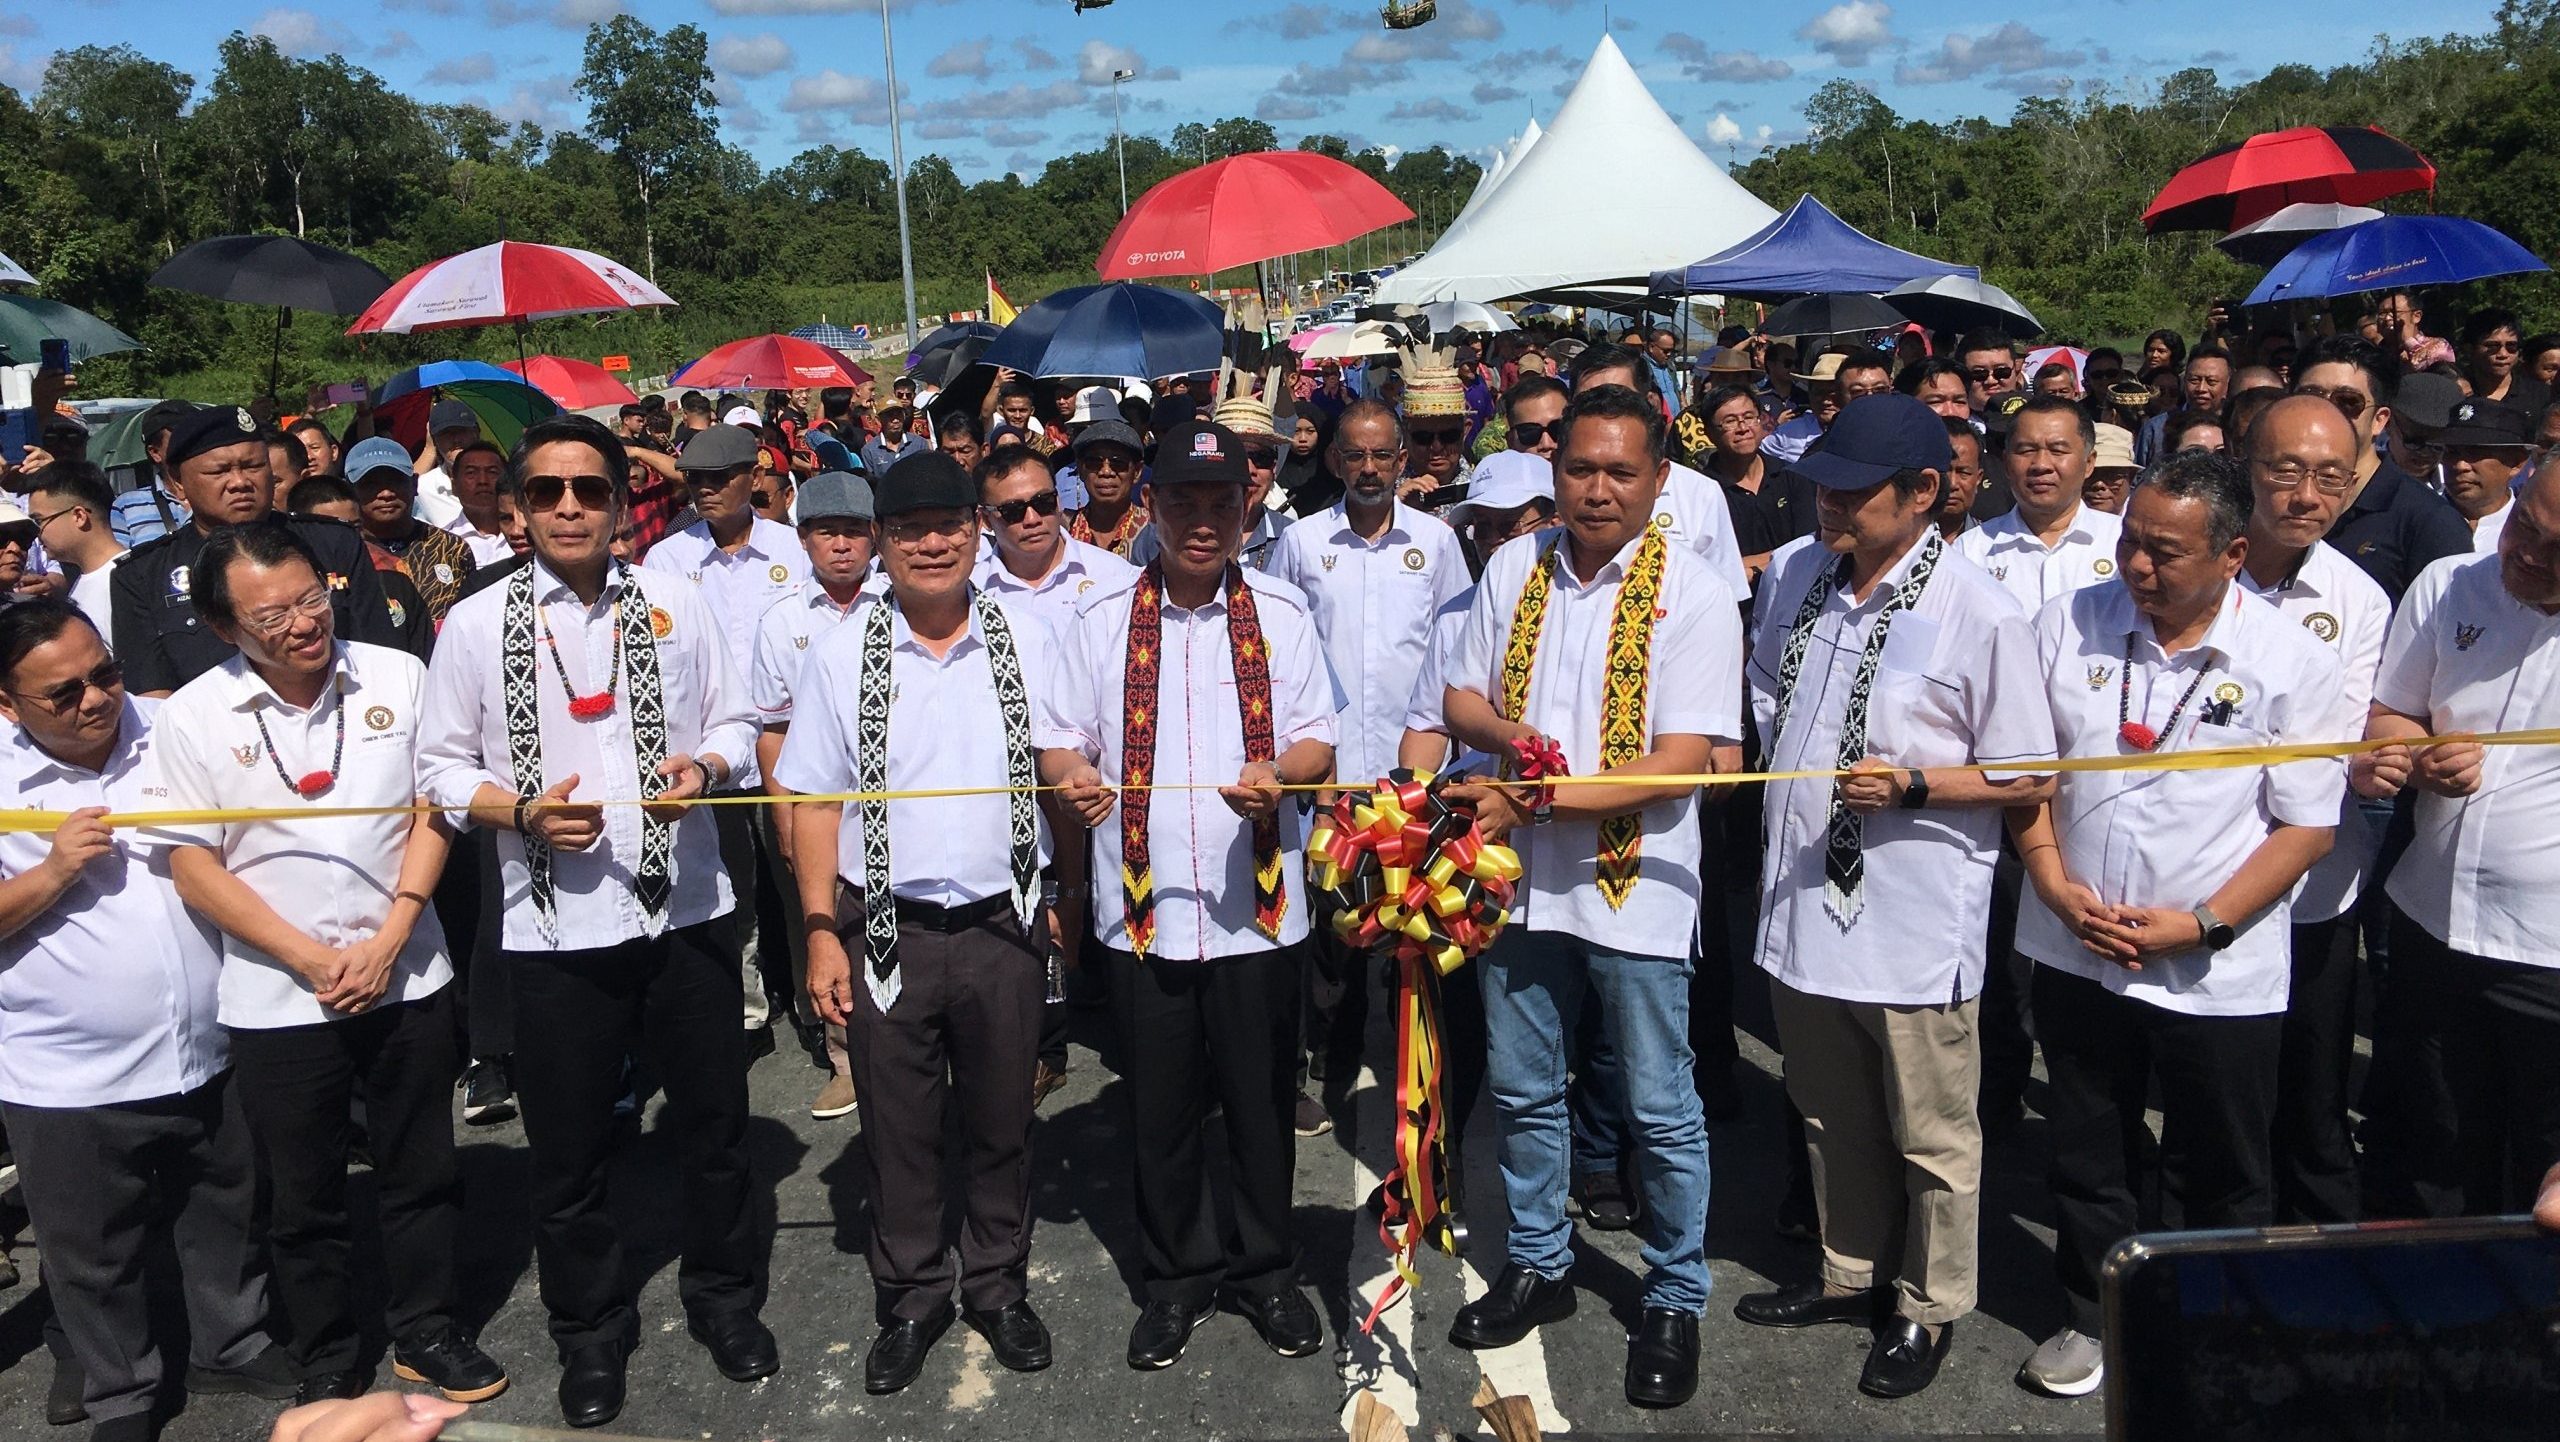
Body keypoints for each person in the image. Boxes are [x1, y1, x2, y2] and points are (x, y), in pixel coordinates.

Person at [416, 417, 773, 1427]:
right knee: (569, 1152)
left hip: (686, 912)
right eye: (546, 491)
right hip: (555, 928)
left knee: (714, 1128)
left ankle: (723, 1298)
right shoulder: (475, 625)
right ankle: (590, 1329)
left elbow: (737, 719)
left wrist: (707, 767)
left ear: (621, 502)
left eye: (589, 488)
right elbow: (440, 767)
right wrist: (517, 812)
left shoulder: (677, 600)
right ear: (517, 509)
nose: (568, 506)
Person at [1734, 395, 2057, 1400]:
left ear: (1923, 492)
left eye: (1851, 490)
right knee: (1829, 1109)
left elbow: (2029, 770)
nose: (1827, 504)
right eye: (1821, 486)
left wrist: (1918, 784)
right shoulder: (1799, 571)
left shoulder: (1980, 610)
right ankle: (1850, 1267)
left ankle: (1928, 1300)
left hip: (1913, 910)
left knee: (1931, 1128)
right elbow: (1766, 688)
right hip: (1802, 896)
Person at [2009, 451, 2345, 1399]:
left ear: (2233, 555)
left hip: (2213, 965)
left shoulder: (2291, 661)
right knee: (2089, 1141)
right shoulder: (2066, 623)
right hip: (2074, 940)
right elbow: (2025, 775)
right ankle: (2094, 1314)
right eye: (2129, 543)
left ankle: (2210, 1323)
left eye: (2164, 552)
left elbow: (2307, 826)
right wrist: (2052, 884)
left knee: (2221, 1157)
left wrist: (2201, 924)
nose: (2136, 567)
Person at [149, 522, 504, 1407]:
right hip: (278, 994)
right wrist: (307, 957)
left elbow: (433, 810)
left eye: (312, 599)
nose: (304, 623)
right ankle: (327, 1352)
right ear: (223, 627)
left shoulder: (398, 676)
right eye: (272, 617)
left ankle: (427, 1329)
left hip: (407, 971)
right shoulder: (193, 715)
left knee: (421, 1167)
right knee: (302, 1192)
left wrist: (393, 934)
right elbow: (192, 863)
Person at [1438, 385, 1744, 1409]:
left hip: (1636, 889)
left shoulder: (1692, 590)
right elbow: (1459, 696)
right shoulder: (1514, 565)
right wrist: (1511, 740)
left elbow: (1680, 764)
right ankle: (1539, 1259)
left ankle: (1674, 1291)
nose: (1598, 490)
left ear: (1659, 480)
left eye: (1621, 471)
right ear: (1554, 472)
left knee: (1658, 1104)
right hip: (1520, 887)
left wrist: (1529, 794)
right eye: (1579, 468)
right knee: (1524, 1089)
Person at [1035, 421, 1336, 1373]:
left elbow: (1317, 738)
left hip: (1258, 908)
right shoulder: (1100, 618)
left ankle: (1265, 1271)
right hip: (1144, 909)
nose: (1203, 522)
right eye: (1182, 503)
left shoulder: (1281, 611)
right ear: (1150, 508)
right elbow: (1060, 739)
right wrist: (1072, 779)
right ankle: (1175, 1279)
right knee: (1159, 1110)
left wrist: (1282, 774)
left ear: (1247, 509)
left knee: (1258, 1104)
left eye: (1220, 504)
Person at [777, 451, 1071, 1395]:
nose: (933, 544)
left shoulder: (1030, 636)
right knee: (897, 1129)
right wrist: (819, 931)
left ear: (978, 532)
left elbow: (1064, 761)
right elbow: (813, 803)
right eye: (910, 531)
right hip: (886, 930)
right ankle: (911, 1296)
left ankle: (996, 1283)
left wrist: (1066, 889)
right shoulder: (840, 654)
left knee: (1002, 1119)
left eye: (950, 525)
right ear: (882, 543)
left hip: (1002, 924)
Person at [0, 599, 301, 1439]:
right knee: (91, 1250)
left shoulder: (174, 727)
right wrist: (51, 874)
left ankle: (231, 1346)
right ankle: (121, 1391)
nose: (97, 699)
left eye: (104, 673)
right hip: (65, 1070)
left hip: (212, 1040)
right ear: (7, 704)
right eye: (63, 694)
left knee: (227, 1210)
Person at [2351, 448, 2560, 1217]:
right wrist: (2417, 756)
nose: (2527, 553)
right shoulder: (2448, 585)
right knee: (2424, 1141)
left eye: (2556, 549)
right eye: (2525, 526)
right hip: (2428, 922)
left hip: (2546, 957)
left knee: (2539, 1160)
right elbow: (2390, 713)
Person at [1267, 399, 1470, 1134]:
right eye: (1354, 455)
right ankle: (1331, 1057)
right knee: (1334, 930)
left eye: (1383, 455)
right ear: (1334, 461)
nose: (1370, 468)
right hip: (1333, 775)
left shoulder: (1437, 542)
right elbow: (1284, 651)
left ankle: (1417, 1063)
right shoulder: (1300, 541)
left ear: (1403, 458)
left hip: (1417, 771)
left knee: (1418, 925)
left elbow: (1456, 647)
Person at [2230, 397, 2393, 1227]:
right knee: (2223, 1103)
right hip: (2203, 881)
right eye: (2286, 471)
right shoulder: (2196, 569)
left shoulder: (2359, 600)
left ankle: (2321, 1261)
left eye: (2332, 477)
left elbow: (2354, 735)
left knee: (2312, 1093)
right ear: (2245, 465)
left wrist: (2375, 761)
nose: (2307, 496)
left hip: (2313, 892)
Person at [644, 422, 812, 1055]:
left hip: (786, 747)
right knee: (726, 889)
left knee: (798, 879)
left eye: (720, 478)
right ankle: (746, 1011)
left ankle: (815, 1005)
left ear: (756, 477)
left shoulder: (794, 549)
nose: (705, 490)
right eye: (695, 479)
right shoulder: (667, 559)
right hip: (709, 753)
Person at [747, 471, 880, 1121]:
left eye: (855, 531)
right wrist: (783, 815)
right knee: (821, 922)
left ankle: (914, 1046)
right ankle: (845, 1061)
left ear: (875, 536)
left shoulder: (904, 601)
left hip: (893, 795)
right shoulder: (782, 621)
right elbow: (772, 731)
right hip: (816, 802)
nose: (842, 545)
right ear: (803, 539)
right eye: (828, 532)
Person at [110, 406, 404, 697]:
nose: (240, 482)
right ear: (178, 482)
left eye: (253, 466)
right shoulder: (142, 576)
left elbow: (379, 656)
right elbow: (152, 698)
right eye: (220, 471)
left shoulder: (334, 542)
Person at [2293, 337, 2474, 604]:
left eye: (2348, 401)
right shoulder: (2265, 501)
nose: (2326, 410)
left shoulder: (2431, 522)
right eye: (2310, 396)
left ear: (2380, 420)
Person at [1567, 345, 1753, 602]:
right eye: (1588, 403)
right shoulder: (1556, 492)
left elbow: (1726, 596)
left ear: (1650, 403)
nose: (1602, 417)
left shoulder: (1699, 494)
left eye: (1620, 402)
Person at [1696, 382, 1817, 590]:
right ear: (1709, 432)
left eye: (1749, 417)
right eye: (1730, 421)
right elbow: (1705, 565)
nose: (1743, 428)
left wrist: (1750, 569)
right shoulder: (1701, 492)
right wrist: (1779, 556)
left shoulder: (1792, 477)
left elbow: (1808, 549)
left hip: (1790, 593)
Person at [344, 439, 477, 625]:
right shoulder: (342, 553)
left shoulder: (451, 548)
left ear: (414, 484)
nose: (386, 494)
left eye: (395, 481)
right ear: (349, 491)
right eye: (371, 484)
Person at [27, 467, 124, 633]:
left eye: (39, 521)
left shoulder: (127, 583)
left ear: (79, 516)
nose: (36, 533)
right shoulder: (84, 581)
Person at [2434, 399, 2535, 552]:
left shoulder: (2531, 532)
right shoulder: (2416, 518)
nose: (2460, 466)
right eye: (2451, 452)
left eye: (2476, 453)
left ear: (2516, 462)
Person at [108, 401, 197, 546]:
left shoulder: (224, 494)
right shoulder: (127, 506)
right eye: (180, 439)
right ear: (155, 452)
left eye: (197, 437)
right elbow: (121, 558)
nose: (192, 445)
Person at [2135, 345, 2232, 465]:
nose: (2201, 388)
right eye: (2194, 380)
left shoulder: (2235, 426)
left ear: (2228, 384)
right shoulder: (2155, 429)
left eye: (2211, 381)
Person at [1062, 419, 1146, 557]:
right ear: (1081, 470)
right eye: (1094, 463)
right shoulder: (1063, 532)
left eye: (1118, 463)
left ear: (1137, 472)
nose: (1106, 472)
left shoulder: (1157, 532)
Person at [410, 402, 484, 530]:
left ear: (476, 432)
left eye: (461, 431)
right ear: (435, 441)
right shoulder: (424, 488)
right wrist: (428, 450)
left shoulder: (503, 480)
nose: (456, 439)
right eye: (446, 433)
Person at [440, 442, 513, 568]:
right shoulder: (442, 544)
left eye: (492, 472)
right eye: (471, 473)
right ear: (454, 485)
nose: (483, 481)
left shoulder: (528, 535)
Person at [2374, 290, 2456, 372]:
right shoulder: (2376, 353)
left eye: (2395, 312)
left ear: (2416, 316)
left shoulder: (2437, 346)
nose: (2387, 318)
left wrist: (2408, 342)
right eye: (2382, 313)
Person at [1936, 420, 1985, 538]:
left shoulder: (1991, 544)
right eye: (1944, 471)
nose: (1952, 484)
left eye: (1964, 473)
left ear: (1978, 478)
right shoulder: (1899, 541)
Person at [1957, 333, 2022, 414]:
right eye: (1979, 374)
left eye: (2001, 372)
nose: (1991, 381)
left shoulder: (2034, 418)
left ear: (2016, 371)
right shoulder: (1949, 420)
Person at [2082, 423, 2139, 515]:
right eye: (2091, 474)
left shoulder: (2145, 519)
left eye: (2111, 475)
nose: (2099, 484)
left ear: (2131, 476)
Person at [860, 406, 927, 477]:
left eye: (899, 414)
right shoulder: (869, 450)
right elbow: (871, 480)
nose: (896, 420)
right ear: (878, 419)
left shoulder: (919, 444)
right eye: (890, 415)